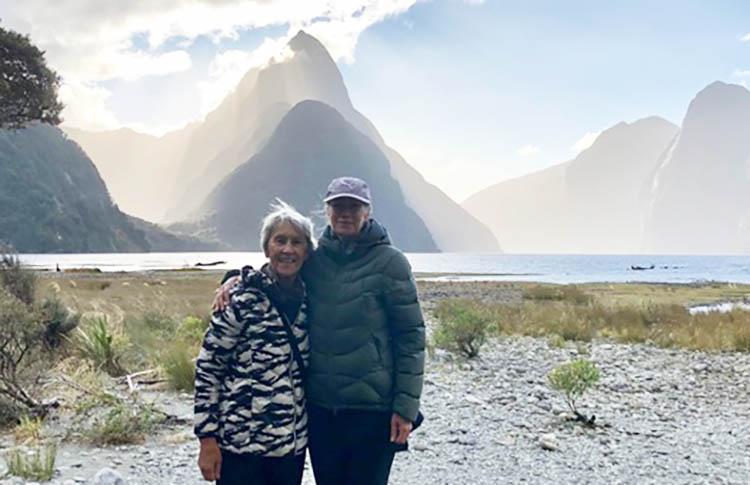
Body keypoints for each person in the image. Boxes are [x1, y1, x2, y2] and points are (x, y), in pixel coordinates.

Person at [215, 177, 425, 485]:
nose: (345, 213)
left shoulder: (390, 262)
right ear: (326, 211)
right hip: (321, 410)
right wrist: (232, 278)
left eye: (354, 206)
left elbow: (411, 338)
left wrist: (405, 409)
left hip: (372, 410)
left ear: (367, 211)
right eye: (338, 206)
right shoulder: (316, 258)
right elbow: (276, 268)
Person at [195, 201, 314, 485]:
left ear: (307, 252)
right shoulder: (242, 300)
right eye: (280, 240)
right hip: (240, 447)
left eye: (296, 242)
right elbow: (209, 367)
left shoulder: (312, 301)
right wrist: (207, 439)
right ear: (266, 248)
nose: (288, 249)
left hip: (290, 448)